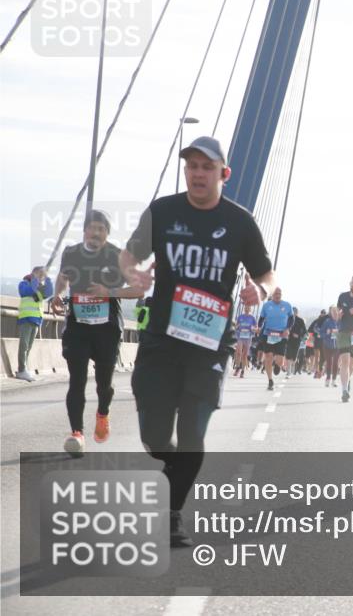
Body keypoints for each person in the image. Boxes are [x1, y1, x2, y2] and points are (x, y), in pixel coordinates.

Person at [120, 135, 275, 548]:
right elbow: (127, 255)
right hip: (161, 342)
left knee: (193, 435)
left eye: (207, 168)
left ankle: (171, 514)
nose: (198, 174)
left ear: (223, 174)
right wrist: (133, 273)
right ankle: (178, 467)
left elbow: (265, 273)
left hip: (209, 345)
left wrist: (258, 293)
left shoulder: (240, 222)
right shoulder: (163, 212)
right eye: (191, 166)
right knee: (155, 437)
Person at [51, 210, 144, 455]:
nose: (96, 233)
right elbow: (63, 277)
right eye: (92, 228)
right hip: (78, 328)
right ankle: (77, 433)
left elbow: (138, 290)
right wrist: (58, 294)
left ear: (107, 234)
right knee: (77, 382)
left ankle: (103, 413)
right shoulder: (71, 253)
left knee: (104, 384)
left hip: (107, 330)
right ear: (85, 230)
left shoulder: (117, 256)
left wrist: (109, 291)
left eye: (101, 230)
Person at [15, 266, 53, 381]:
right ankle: (21, 369)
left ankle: (25, 368)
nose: (40, 278)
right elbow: (27, 292)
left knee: (29, 346)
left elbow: (49, 292)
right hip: (26, 318)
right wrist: (35, 279)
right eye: (39, 275)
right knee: (24, 345)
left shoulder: (39, 287)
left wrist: (47, 278)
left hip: (36, 320)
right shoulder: (24, 284)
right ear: (33, 274)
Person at [258, 287, 293, 390]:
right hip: (268, 334)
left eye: (279, 294)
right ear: (272, 295)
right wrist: (259, 327)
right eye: (276, 294)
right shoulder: (266, 306)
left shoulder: (287, 305)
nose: (278, 295)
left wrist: (287, 328)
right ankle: (270, 381)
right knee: (268, 357)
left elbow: (291, 319)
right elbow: (261, 319)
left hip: (281, 335)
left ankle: (277, 365)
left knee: (280, 361)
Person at [318, 306, 340, 387]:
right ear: (331, 313)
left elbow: (344, 332)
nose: (335, 314)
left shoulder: (340, 322)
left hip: (337, 346)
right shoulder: (327, 322)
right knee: (329, 363)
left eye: (336, 312)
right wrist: (327, 333)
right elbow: (321, 333)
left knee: (336, 363)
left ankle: (334, 380)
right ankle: (328, 378)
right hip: (327, 345)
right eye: (333, 312)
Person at [233, 306, 257, 378]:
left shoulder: (252, 318)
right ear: (244, 309)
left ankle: (242, 370)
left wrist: (253, 328)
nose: (247, 309)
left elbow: (256, 328)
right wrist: (237, 326)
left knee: (244, 355)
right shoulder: (240, 316)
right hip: (240, 336)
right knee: (238, 352)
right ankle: (237, 367)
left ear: (250, 309)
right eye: (246, 308)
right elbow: (236, 326)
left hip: (248, 337)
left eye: (248, 308)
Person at [285, 307, 307, 377]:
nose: (294, 313)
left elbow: (305, 331)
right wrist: (289, 333)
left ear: (297, 312)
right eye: (293, 311)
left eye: (295, 311)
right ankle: (288, 371)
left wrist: (299, 335)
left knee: (294, 356)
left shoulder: (300, 320)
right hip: (289, 339)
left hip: (297, 341)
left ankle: (292, 368)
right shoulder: (288, 319)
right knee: (288, 355)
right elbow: (285, 328)